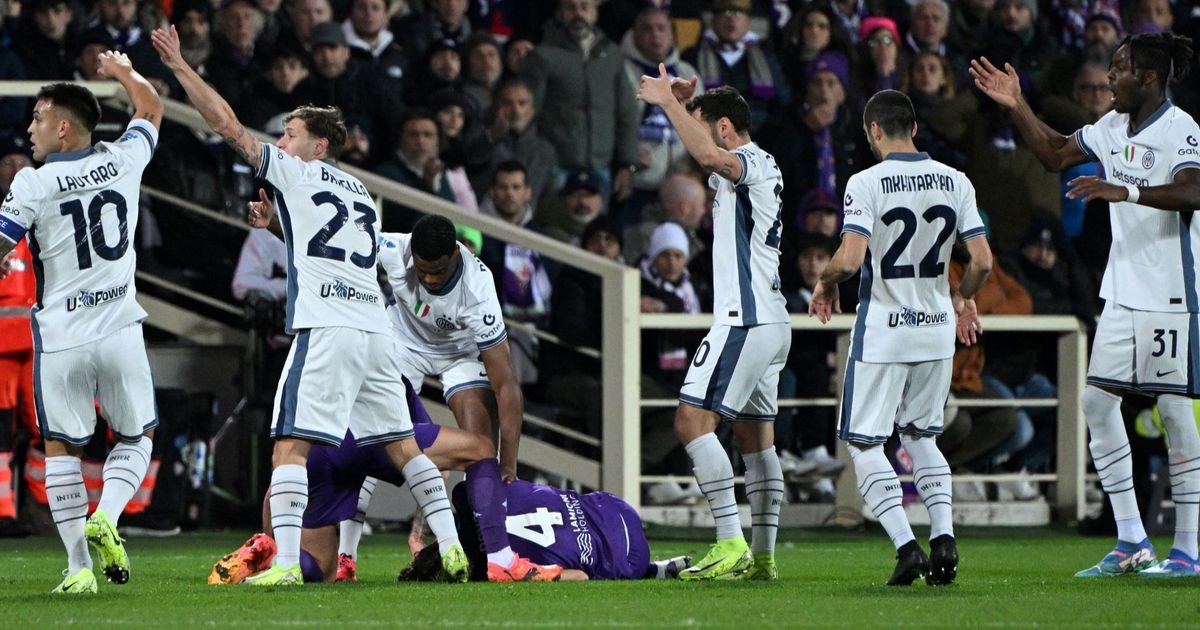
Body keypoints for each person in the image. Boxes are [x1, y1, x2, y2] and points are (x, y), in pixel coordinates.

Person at [152, 25, 468, 586]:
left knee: (289, 448)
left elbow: (225, 124)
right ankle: (451, 550)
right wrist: (277, 226)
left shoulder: (296, 174)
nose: (280, 143)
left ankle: (286, 568)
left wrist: (180, 68)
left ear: (317, 147)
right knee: (403, 447)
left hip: (325, 328)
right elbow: (340, 256)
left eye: (289, 134)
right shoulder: (362, 199)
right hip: (374, 333)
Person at [971, 33, 1200, 577]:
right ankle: (1131, 540)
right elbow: (1052, 154)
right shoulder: (1109, 129)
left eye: (1118, 70)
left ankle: (1188, 549)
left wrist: (1129, 192)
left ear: (1147, 77)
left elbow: (1194, 191)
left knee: (1171, 410)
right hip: (1121, 294)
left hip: (1171, 293)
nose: (1109, 81)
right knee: (1098, 405)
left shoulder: (1181, 129)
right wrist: (1018, 103)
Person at [809, 89, 992, 586]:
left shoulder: (866, 182)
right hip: (935, 330)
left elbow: (848, 261)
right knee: (922, 436)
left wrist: (824, 283)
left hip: (886, 331)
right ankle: (945, 536)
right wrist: (963, 299)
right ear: (913, 127)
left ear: (873, 130)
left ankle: (906, 546)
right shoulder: (956, 181)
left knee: (864, 443)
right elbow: (982, 261)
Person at [0, 53, 163, 594]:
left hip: (62, 338)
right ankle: (109, 515)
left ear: (64, 127)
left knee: (61, 450)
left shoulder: (33, 182)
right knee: (137, 435)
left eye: (40, 116)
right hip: (119, 328)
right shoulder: (124, 159)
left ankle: (78, 571)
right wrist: (123, 72)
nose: (30, 127)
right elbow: (152, 106)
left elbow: (2, 244)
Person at [637, 72, 790, 580]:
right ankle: (763, 558)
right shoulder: (761, 164)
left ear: (724, 128)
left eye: (704, 128)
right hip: (771, 322)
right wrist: (684, 106)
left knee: (690, 422)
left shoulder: (743, 162)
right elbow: (700, 153)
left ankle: (730, 542)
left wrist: (664, 105)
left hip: (743, 320)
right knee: (755, 439)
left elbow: (707, 156)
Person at [334, 214, 541, 579]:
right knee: (370, 437)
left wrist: (508, 462)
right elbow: (328, 242)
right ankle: (345, 558)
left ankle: (495, 557)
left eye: (438, 272)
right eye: (423, 271)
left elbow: (507, 386)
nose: (429, 279)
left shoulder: (478, 290)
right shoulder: (393, 249)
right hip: (400, 343)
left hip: (460, 355)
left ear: (456, 256)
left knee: (479, 447)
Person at [210, 378, 562, 583]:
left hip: (324, 450)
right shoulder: (384, 341)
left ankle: (267, 550)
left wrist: (272, 529)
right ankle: (498, 559)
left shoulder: (317, 346)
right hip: (374, 437)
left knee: (319, 568)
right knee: (481, 448)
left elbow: (284, 465)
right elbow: (427, 456)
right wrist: (421, 529)